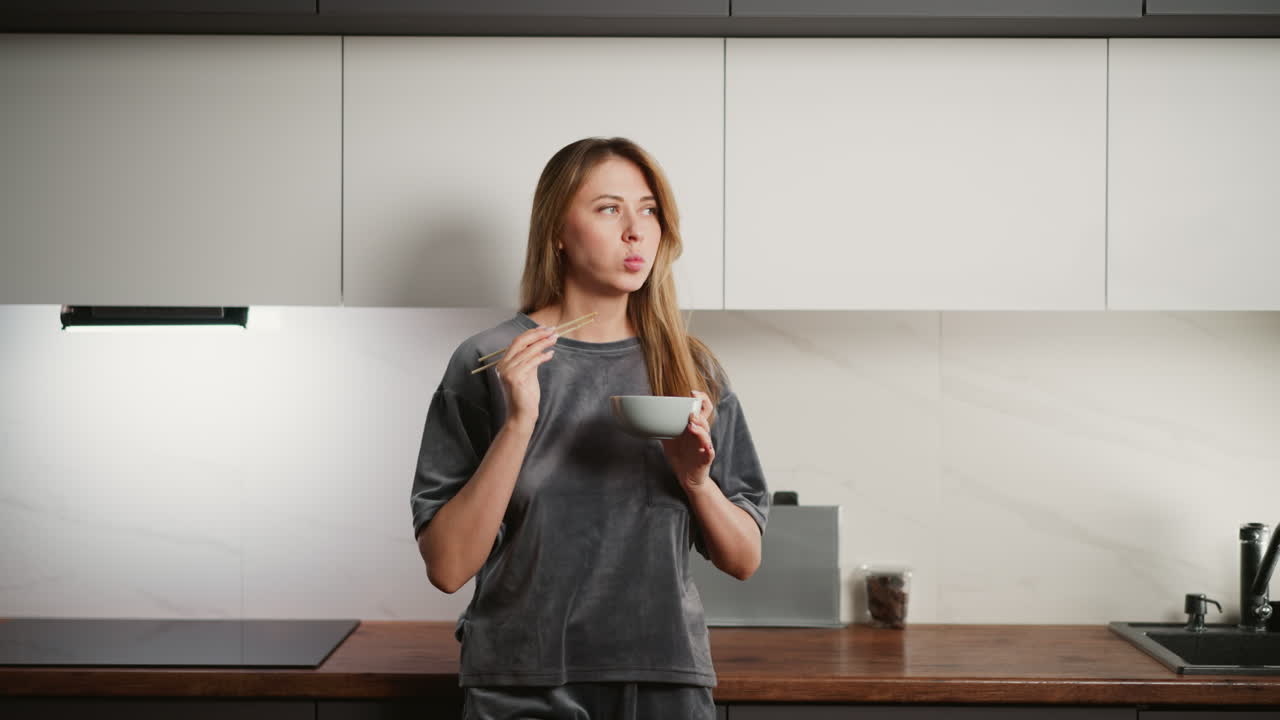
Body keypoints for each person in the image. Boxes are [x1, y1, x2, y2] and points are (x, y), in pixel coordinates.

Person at [410, 136, 770, 720]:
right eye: (609, 208)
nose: (636, 231)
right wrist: (519, 421)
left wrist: (698, 481)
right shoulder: (490, 361)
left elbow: (744, 559)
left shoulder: (689, 369)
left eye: (648, 210)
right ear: (557, 229)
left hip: (664, 680)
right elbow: (448, 567)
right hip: (520, 683)